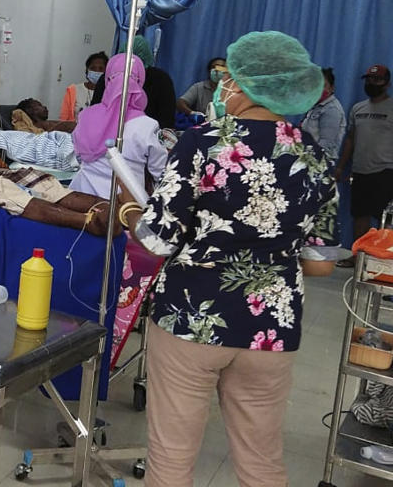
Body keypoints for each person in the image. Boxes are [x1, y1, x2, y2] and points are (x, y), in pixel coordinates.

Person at [117, 31, 338, 487]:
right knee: (262, 461)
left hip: (192, 319)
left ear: (240, 82)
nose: (222, 85)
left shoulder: (202, 143)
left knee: (172, 461)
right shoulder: (315, 157)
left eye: (226, 77)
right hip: (271, 329)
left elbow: (157, 242)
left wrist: (129, 207)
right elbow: (320, 264)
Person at [69, 53, 167, 197]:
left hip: (81, 197)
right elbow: (161, 172)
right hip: (124, 205)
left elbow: (78, 156)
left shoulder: (86, 117)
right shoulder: (147, 126)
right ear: (140, 83)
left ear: (107, 80)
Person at [335, 64, 393, 267]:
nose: (371, 83)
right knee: (360, 215)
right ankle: (358, 257)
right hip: (360, 170)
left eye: (376, 80)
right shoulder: (358, 108)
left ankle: (383, 261)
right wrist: (341, 166)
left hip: (385, 171)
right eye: (369, 79)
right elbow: (351, 139)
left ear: (386, 83)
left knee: (385, 219)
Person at [91, 36, 177, 130]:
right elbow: (95, 113)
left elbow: (167, 122)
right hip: (109, 133)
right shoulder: (108, 78)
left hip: (148, 136)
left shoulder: (161, 80)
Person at [299, 66, 346, 161]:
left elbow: (325, 144)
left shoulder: (331, 109)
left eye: (323, 85)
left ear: (332, 88)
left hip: (320, 161)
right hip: (309, 157)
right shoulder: (316, 105)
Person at [60, 51, 108, 121]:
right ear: (87, 70)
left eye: (101, 69)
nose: (97, 71)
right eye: (93, 68)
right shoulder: (73, 90)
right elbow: (64, 119)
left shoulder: (109, 92)